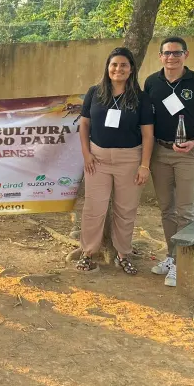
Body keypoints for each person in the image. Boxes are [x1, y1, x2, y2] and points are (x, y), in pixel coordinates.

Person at [144, 37, 194, 287]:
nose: (171, 57)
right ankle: (172, 256)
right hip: (160, 151)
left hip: (187, 154)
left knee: (185, 210)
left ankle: (184, 263)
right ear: (160, 56)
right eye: (167, 53)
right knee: (167, 209)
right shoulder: (151, 82)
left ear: (185, 55)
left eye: (176, 53)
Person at [77, 47, 154, 274]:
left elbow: (148, 135)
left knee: (125, 210)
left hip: (129, 160)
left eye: (123, 65)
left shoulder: (141, 98)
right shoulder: (94, 92)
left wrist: (144, 166)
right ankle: (88, 252)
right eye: (114, 65)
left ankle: (123, 253)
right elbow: (84, 125)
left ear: (131, 70)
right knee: (94, 207)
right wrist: (86, 154)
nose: (118, 69)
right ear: (107, 68)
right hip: (97, 159)